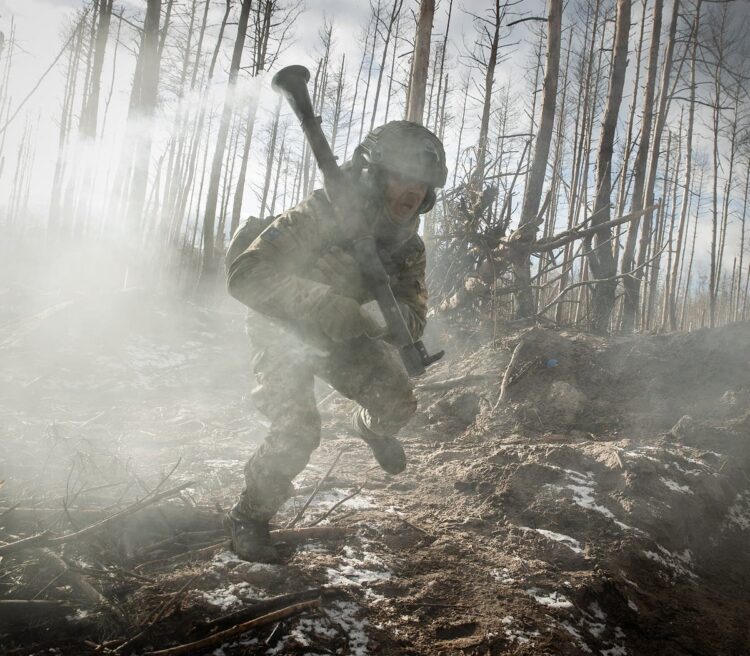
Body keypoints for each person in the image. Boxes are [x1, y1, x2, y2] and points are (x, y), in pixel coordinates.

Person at [223, 120, 447, 561]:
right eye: (403, 176)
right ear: (375, 174)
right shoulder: (324, 212)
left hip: (344, 337)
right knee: (298, 432)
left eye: (423, 184)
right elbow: (244, 275)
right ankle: (247, 517)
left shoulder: (409, 248)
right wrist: (319, 300)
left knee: (398, 404)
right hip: (283, 328)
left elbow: (415, 317)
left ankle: (365, 428)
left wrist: (388, 316)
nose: (414, 192)